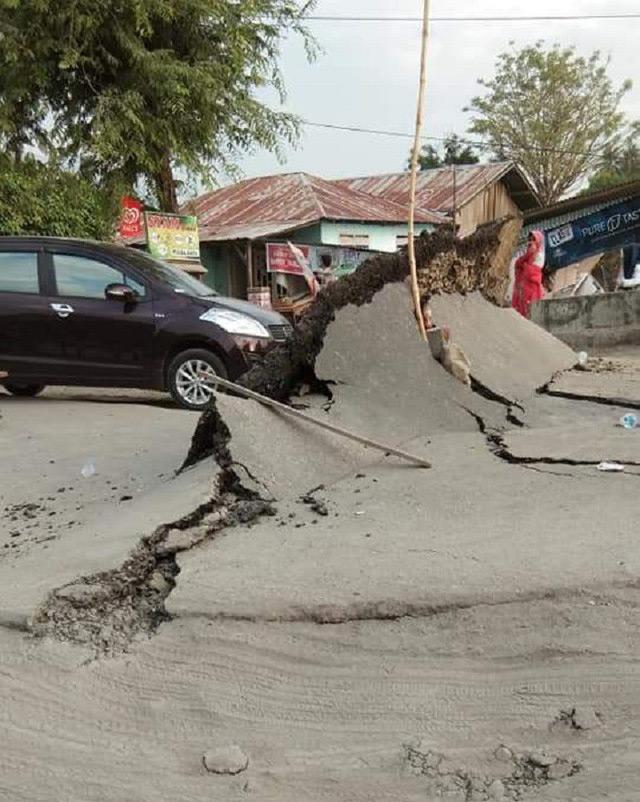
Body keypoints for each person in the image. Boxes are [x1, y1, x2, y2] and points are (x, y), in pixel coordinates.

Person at [512, 230, 545, 318]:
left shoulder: (539, 256)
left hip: (531, 290)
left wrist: (525, 265)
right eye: (530, 239)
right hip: (522, 290)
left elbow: (531, 273)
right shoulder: (527, 255)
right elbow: (518, 264)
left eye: (533, 240)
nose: (530, 242)